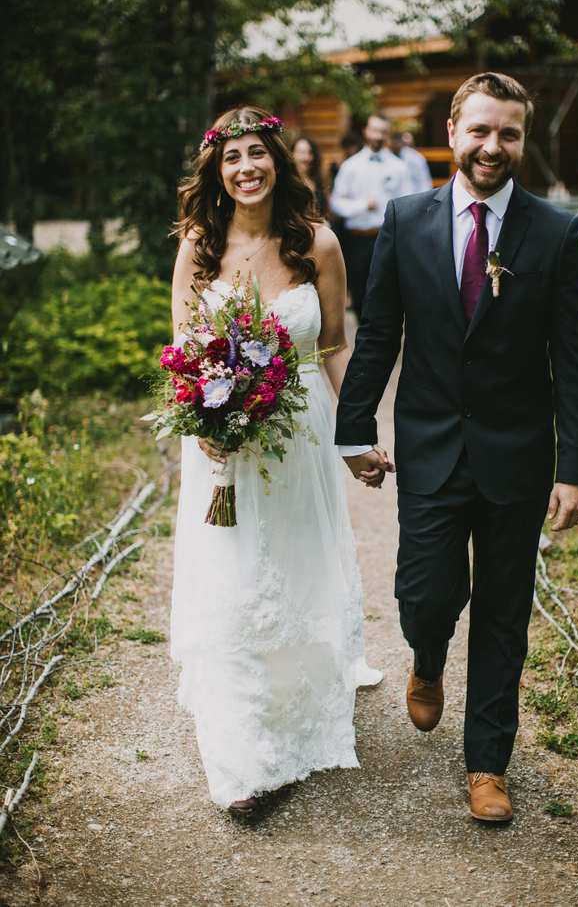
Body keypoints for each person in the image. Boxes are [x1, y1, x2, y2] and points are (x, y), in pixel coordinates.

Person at [336, 73, 578, 823]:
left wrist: (575, 468)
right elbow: (378, 333)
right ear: (452, 132)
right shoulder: (406, 219)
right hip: (431, 444)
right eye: (480, 130)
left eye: (508, 133)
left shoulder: (556, 232)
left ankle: (487, 762)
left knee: (504, 614)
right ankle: (426, 657)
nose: (492, 146)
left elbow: (573, 360)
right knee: (424, 595)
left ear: (523, 139)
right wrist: (355, 429)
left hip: (519, 454)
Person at [171, 105, 382, 814]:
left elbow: (334, 347)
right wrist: (202, 418)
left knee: (292, 567)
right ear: (217, 171)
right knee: (231, 578)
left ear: (277, 160)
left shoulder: (317, 243)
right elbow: (183, 348)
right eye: (231, 157)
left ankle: (292, 705)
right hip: (221, 444)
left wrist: (355, 434)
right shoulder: (199, 245)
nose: (246, 168)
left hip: (298, 436)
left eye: (256, 153)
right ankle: (243, 760)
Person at [330, 113, 412, 321]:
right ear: (366, 131)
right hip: (357, 238)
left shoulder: (399, 167)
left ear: (387, 134)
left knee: (388, 291)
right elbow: (336, 203)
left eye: (382, 132)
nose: (378, 136)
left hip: (387, 238)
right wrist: (362, 205)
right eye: (374, 130)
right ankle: (363, 330)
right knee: (359, 292)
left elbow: (408, 202)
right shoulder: (350, 167)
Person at [290, 135, 329, 217]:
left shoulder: (319, 181)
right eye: (301, 152)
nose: (306, 157)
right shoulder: (286, 182)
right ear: (291, 154)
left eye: (310, 152)